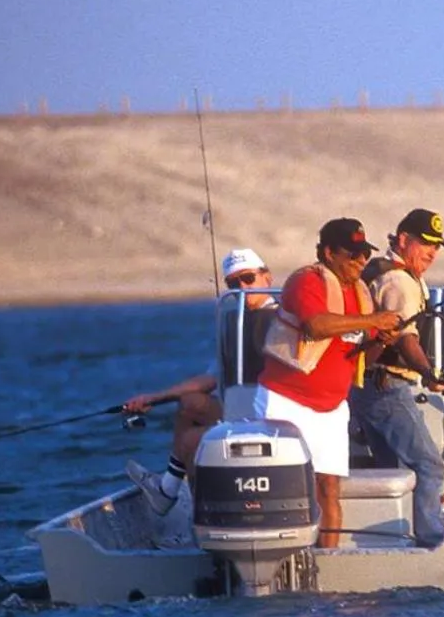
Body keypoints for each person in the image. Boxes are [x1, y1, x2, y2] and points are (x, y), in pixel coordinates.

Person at [256, 218, 401, 549]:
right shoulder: (306, 281)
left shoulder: (360, 292)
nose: (360, 261)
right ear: (327, 252)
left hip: (332, 407)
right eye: (352, 254)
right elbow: (317, 325)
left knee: (329, 488)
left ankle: (328, 563)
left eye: (364, 254)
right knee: (283, 486)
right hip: (286, 400)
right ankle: (280, 555)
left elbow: (369, 349)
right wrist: (374, 320)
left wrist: (384, 337)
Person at [123, 248, 278, 546]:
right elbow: (211, 378)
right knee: (190, 404)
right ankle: (168, 491)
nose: (243, 288)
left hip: (270, 415)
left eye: (248, 279)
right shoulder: (235, 323)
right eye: (234, 284)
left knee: (193, 441)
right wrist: (154, 398)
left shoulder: (279, 320)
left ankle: (203, 518)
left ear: (266, 276)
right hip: (239, 410)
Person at [354, 208, 444, 547]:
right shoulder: (398, 280)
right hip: (386, 388)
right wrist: (429, 373)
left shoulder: (382, 272)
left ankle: (391, 537)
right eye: (426, 244)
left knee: (389, 465)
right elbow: (404, 337)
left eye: (437, 246)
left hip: (363, 386)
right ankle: (431, 539)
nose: (432, 253)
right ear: (403, 240)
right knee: (430, 467)